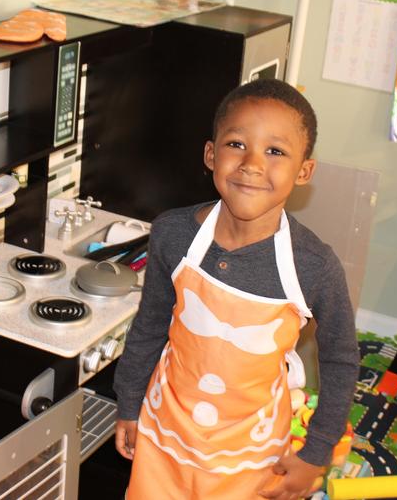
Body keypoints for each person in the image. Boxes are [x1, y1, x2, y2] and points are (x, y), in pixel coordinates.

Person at [113, 79, 360, 500]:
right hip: (165, 435)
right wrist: (130, 403)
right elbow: (150, 324)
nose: (252, 164)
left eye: (275, 151)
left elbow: (340, 360)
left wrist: (316, 453)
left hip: (251, 454)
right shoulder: (172, 233)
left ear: (304, 171)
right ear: (210, 155)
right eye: (236, 144)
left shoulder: (314, 266)